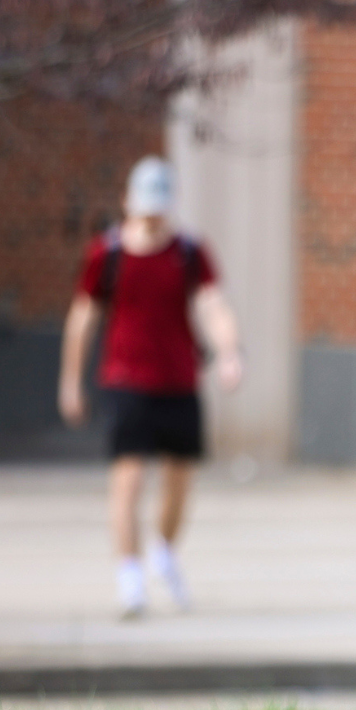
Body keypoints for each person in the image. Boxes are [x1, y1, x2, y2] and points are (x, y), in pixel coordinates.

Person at [57, 156, 244, 618]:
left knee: (179, 484)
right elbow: (83, 318)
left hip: (178, 380)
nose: (151, 217)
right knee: (129, 478)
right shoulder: (107, 254)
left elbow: (213, 304)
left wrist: (229, 351)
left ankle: (164, 551)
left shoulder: (189, 252)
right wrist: (71, 380)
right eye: (144, 208)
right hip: (125, 381)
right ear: (127, 203)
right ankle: (131, 577)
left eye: (158, 207)